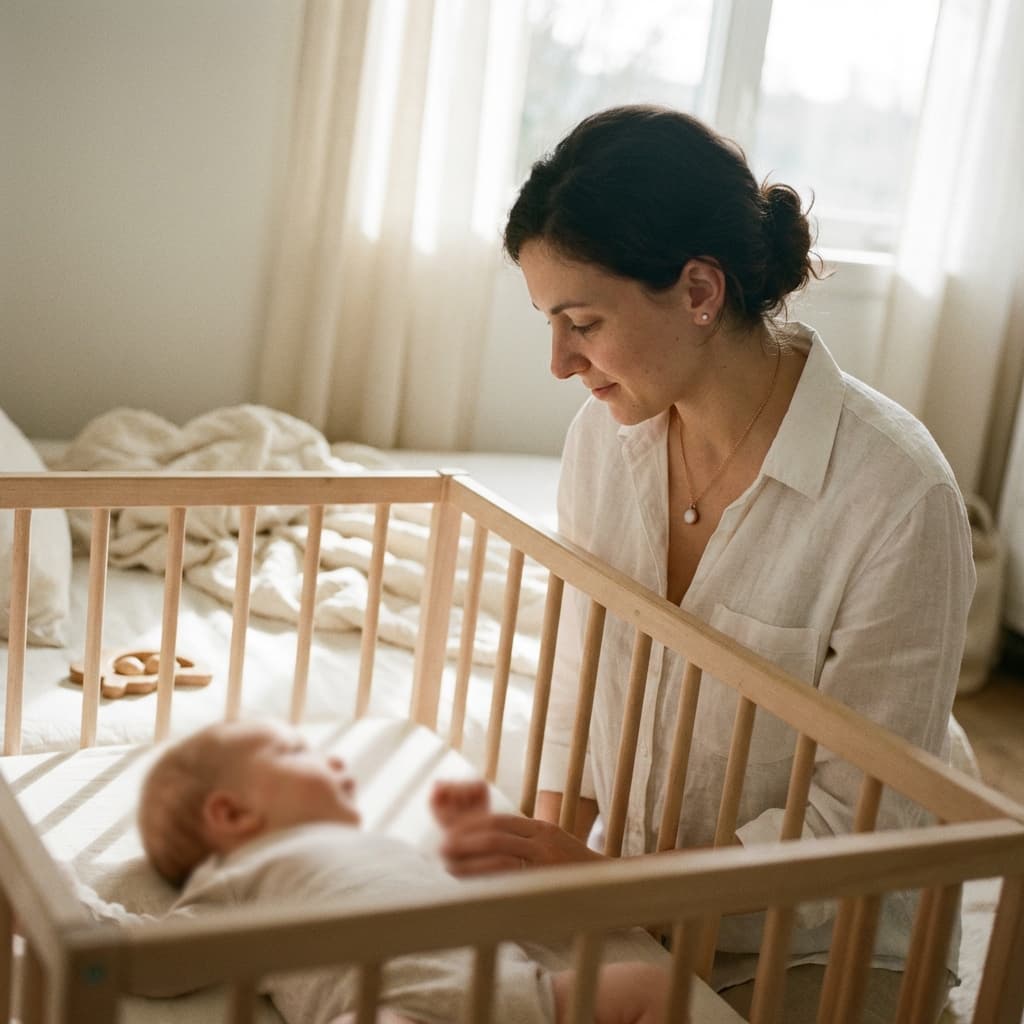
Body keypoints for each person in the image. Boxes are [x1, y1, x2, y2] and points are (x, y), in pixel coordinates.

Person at [439, 105, 975, 1022]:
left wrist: (617, 888)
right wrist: (547, 887)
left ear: (697, 291)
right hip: (636, 903)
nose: (561, 363)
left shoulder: (895, 495)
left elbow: (863, 817)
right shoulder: (606, 444)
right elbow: (579, 672)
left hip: (815, 941)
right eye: (548, 323)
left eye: (582, 322)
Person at [76, 719, 670, 1024]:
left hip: (528, 997)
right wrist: (74, 907)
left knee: (648, 989)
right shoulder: (237, 884)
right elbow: (159, 958)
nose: (331, 757)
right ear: (231, 812)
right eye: (294, 753)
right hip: (398, 1009)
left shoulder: (387, 845)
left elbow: (456, 897)